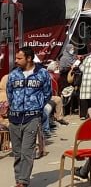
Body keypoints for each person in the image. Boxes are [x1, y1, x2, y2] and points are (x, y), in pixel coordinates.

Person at [6, 46, 51, 187]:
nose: (16, 61)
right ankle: (18, 179)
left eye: (20, 58)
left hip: (32, 117)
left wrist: (37, 107)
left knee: (27, 151)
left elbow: (47, 93)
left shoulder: (42, 73)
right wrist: (15, 107)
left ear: (29, 58)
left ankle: (23, 182)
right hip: (14, 117)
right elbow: (9, 93)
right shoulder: (13, 74)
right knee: (17, 152)